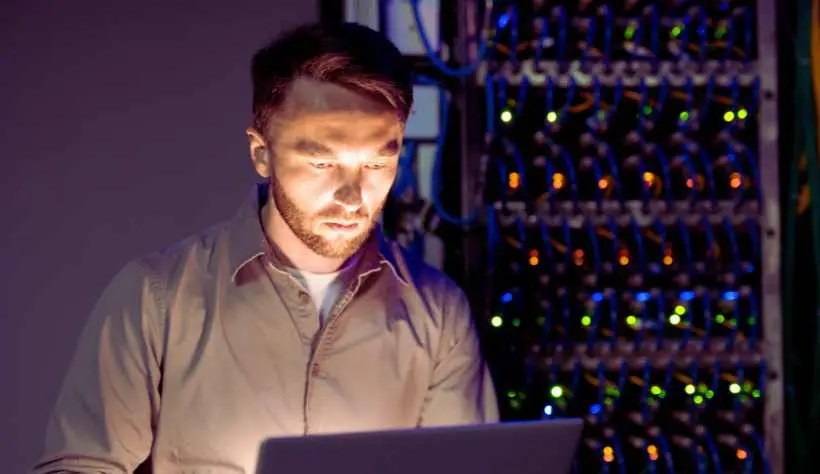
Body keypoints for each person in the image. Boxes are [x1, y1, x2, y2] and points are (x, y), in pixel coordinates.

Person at [33, 22, 498, 473]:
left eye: (377, 163)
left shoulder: (439, 315)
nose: (353, 196)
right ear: (262, 153)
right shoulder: (155, 300)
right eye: (322, 163)